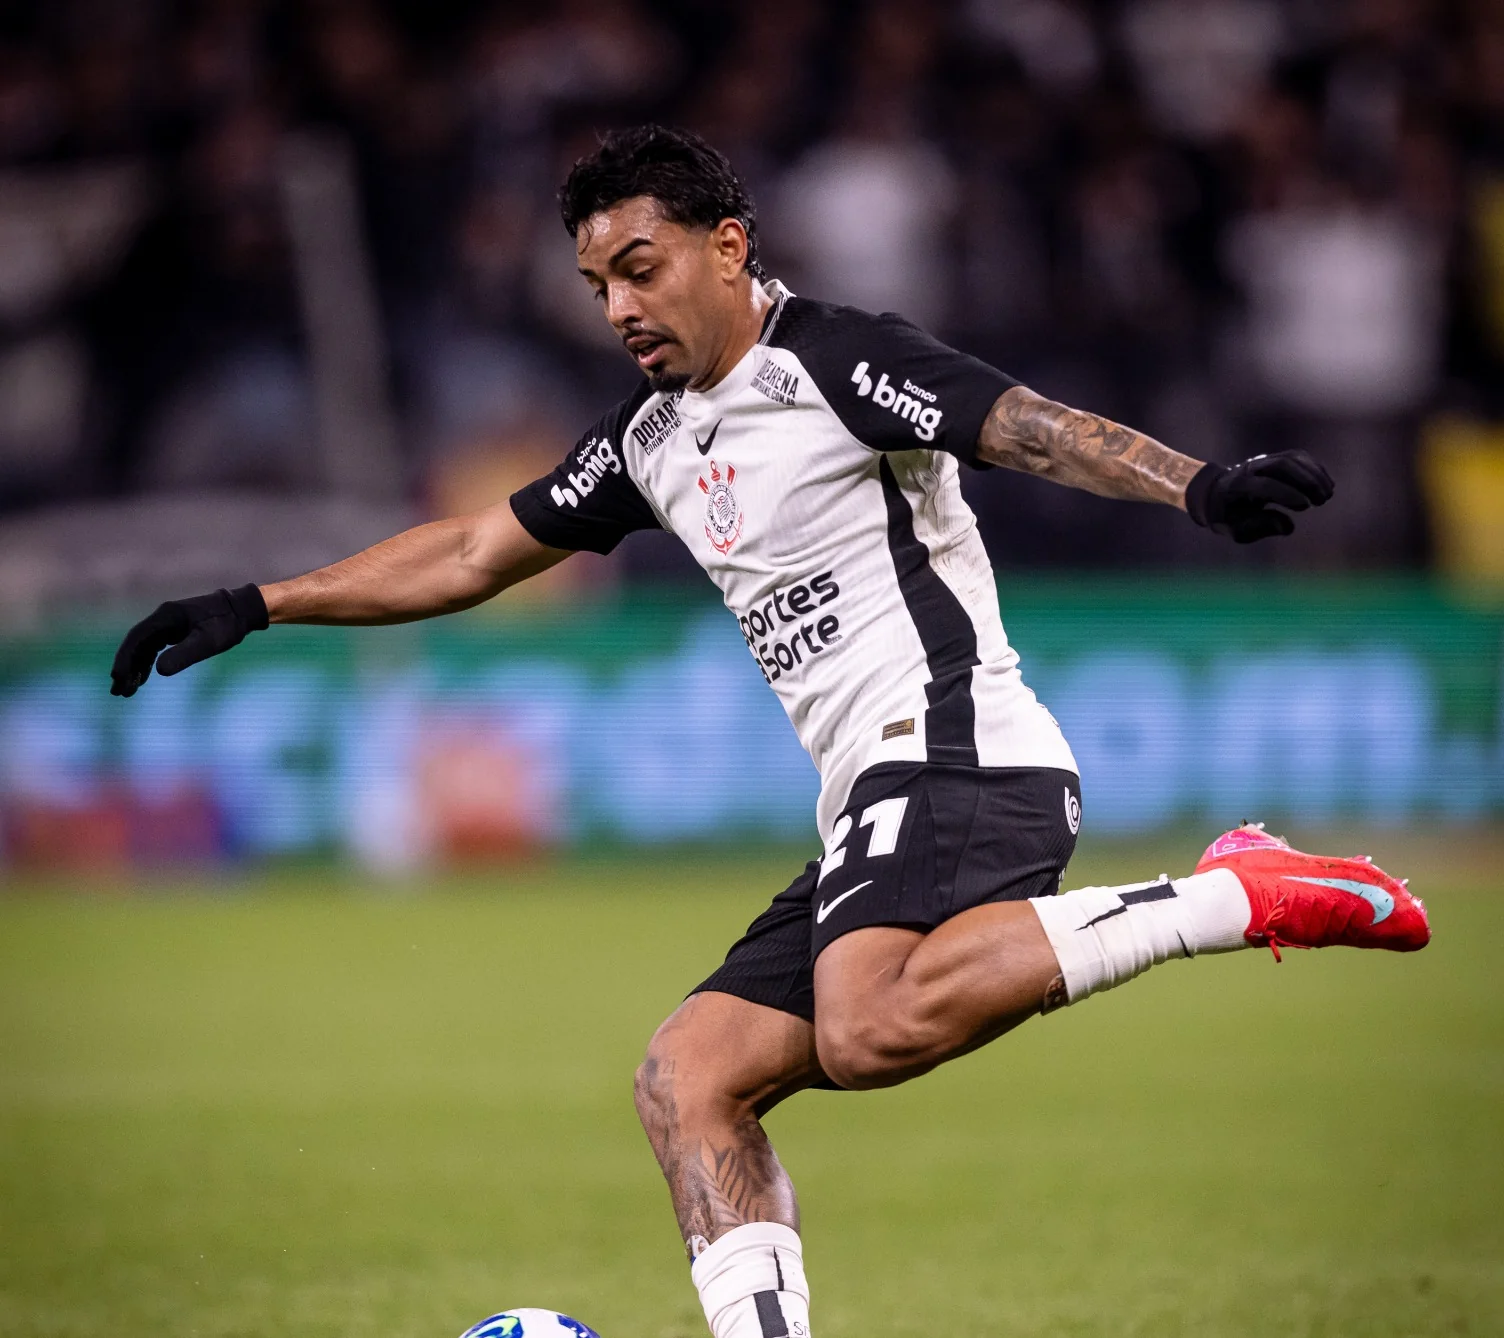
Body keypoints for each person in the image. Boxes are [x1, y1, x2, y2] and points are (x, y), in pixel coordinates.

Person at [110, 125, 1429, 1338]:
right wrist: (258, 601)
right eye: (598, 286)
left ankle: (1230, 895)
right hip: (871, 794)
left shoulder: (837, 359)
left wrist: (1197, 486)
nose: (620, 308)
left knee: (866, 1025)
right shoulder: (646, 441)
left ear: (727, 247)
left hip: (962, 750)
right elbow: (469, 552)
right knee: (690, 1076)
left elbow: (1030, 429)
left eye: (641, 269)